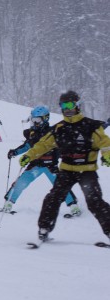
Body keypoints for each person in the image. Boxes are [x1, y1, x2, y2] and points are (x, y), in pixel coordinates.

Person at [19, 91, 110, 243]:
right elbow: (43, 145)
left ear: (78, 106)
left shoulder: (91, 126)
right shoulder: (58, 129)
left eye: (70, 105)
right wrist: (29, 155)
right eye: (63, 105)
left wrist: (107, 156)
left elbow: (105, 144)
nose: (67, 109)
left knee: (94, 202)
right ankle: (44, 229)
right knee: (53, 198)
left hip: (87, 171)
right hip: (67, 170)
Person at [3, 105, 80, 216]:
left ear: (45, 119)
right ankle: (8, 203)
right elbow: (26, 146)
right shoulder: (32, 133)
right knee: (21, 183)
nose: (34, 123)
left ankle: (73, 206)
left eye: (37, 120)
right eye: (33, 120)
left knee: (61, 185)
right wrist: (14, 152)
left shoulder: (52, 132)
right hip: (35, 165)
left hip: (50, 166)